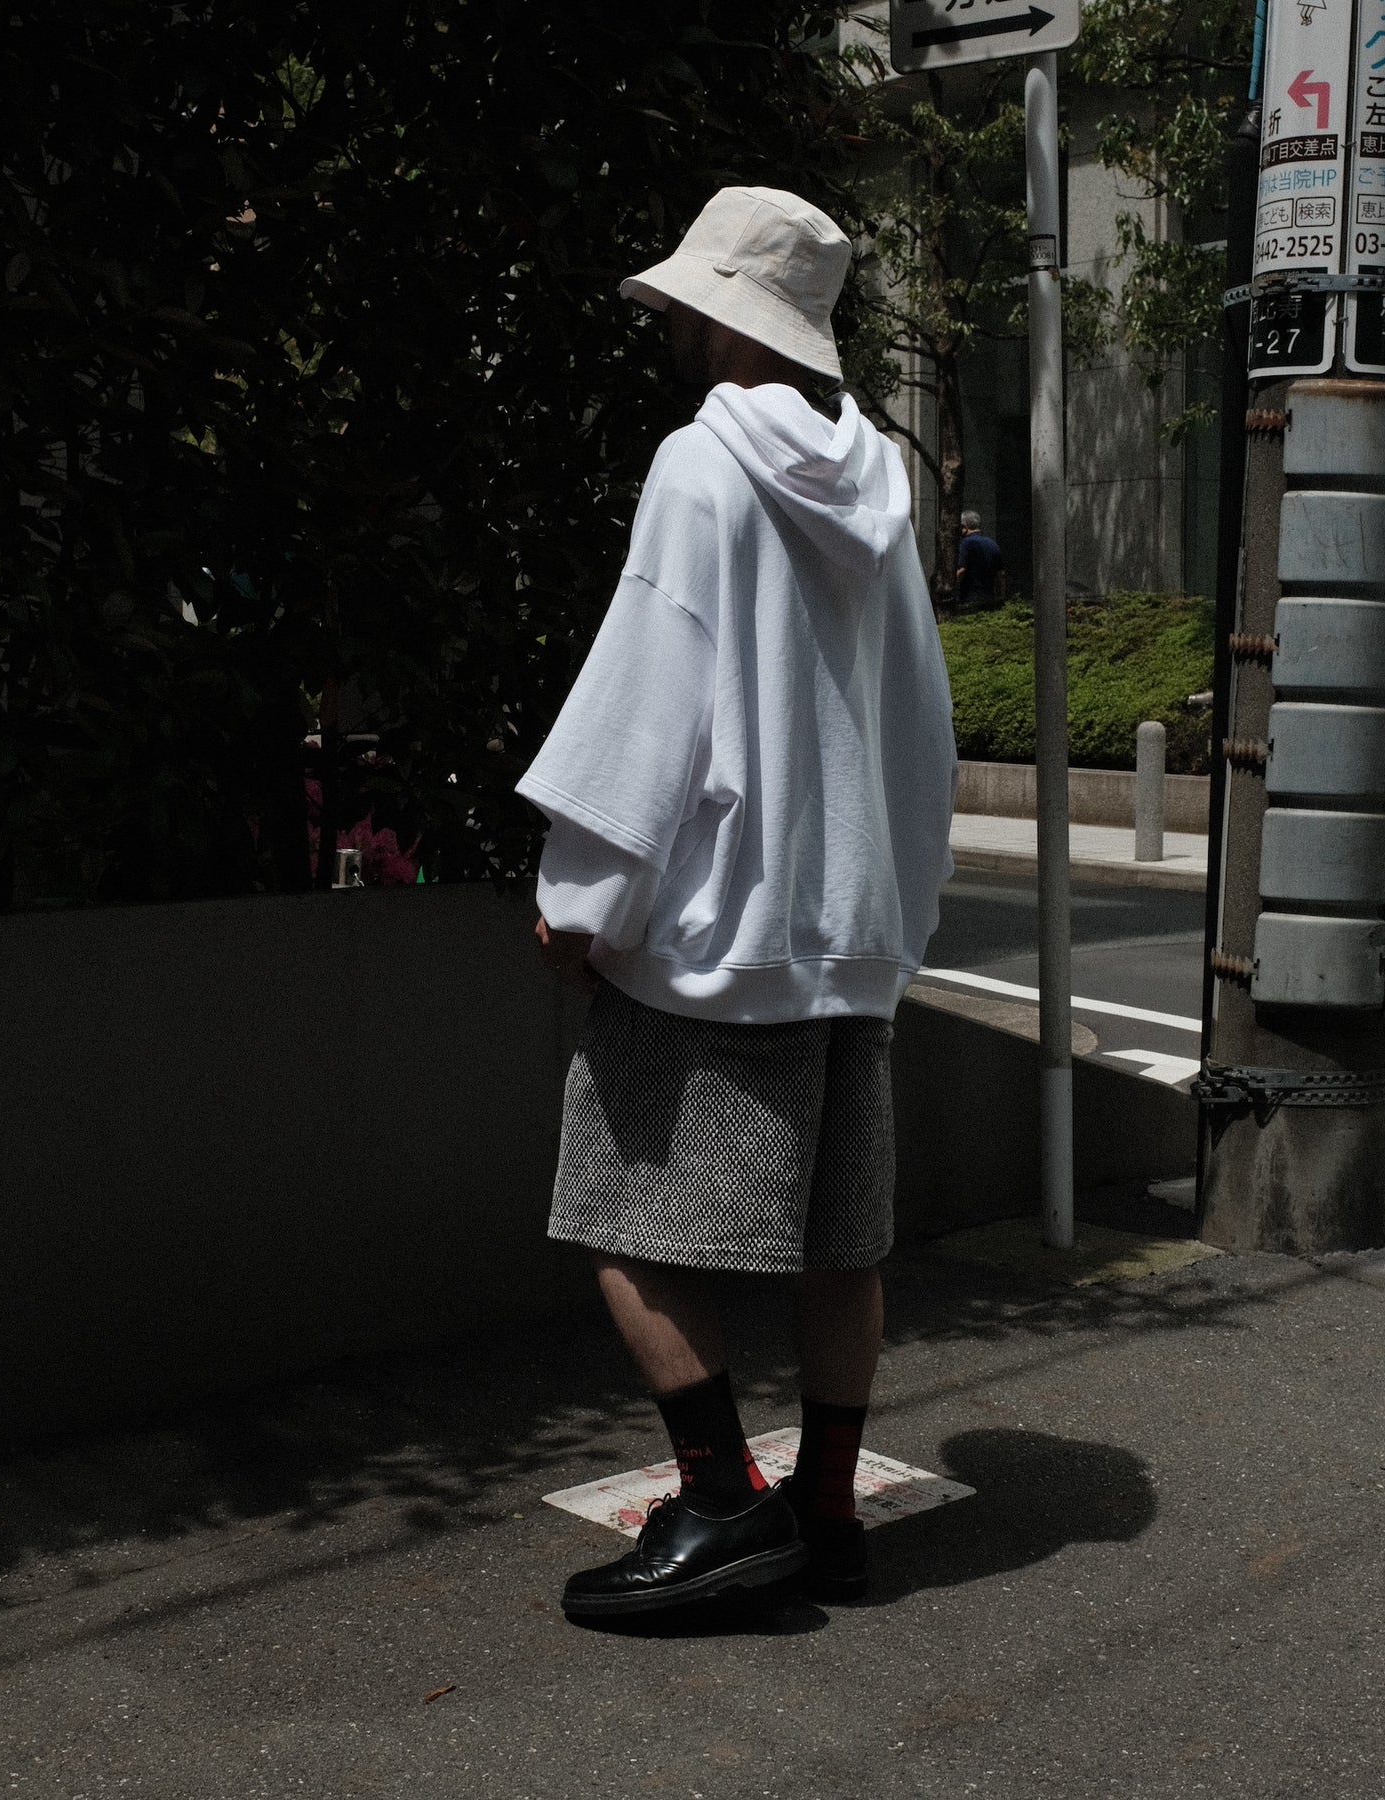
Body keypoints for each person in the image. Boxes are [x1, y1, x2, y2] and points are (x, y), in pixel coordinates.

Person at [517, 186, 957, 1618]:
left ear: (720, 314)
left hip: (717, 932)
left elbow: (655, 696)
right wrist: (901, 906)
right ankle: (825, 1518)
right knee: (843, 1247)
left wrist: (581, 898)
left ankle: (719, 1507)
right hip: (850, 931)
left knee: (618, 1217)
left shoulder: (700, 471)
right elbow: (920, 722)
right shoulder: (884, 486)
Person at [956, 509, 1005, 609]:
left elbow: (961, 570)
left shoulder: (965, 544)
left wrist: (951, 589)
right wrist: (1000, 596)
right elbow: (1001, 574)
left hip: (969, 598)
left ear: (964, 527)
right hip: (989, 598)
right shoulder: (992, 544)